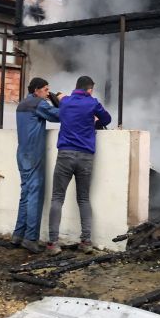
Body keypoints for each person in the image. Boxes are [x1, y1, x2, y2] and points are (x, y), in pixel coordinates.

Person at [46, 76, 111, 256]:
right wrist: (94, 123)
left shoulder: (66, 102)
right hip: (85, 156)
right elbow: (107, 119)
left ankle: (52, 243)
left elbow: (60, 99)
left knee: (57, 198)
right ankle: (86, 241)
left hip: (65, 154)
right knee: (83, 199)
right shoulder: (92, 103)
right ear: (90, 90)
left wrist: (59, 96)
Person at [12, 77, 62, 254]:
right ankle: (31, 238)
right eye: (46, 90)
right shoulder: (39, 104)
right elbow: (59, 116)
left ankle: (18, 235)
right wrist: (59, 101)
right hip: (34, 154)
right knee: (35, 195)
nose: (48, 93)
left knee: (25, 193)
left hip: (22, 153)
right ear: (36, 90)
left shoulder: (22, 104)